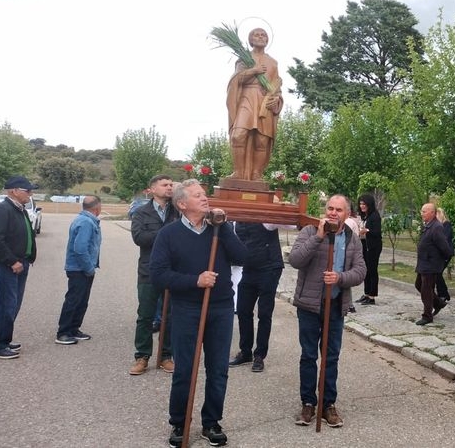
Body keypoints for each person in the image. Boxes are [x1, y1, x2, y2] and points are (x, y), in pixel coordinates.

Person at [149, 179, 247, 448]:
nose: (205, 198)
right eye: (197, 195)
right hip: (187, 308)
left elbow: (242, 257)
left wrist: (223, 227)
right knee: (186, 369)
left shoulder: (219, 230)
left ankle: (211, 422)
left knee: (218, 369)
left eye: (204, 194)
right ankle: (180, 422)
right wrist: (196, 280)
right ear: (182, 204)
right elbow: (158, 275)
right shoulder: (168, 235)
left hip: (221, 307)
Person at [289, 195, 366, 428]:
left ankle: (328, 404)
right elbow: (295, 260)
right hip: (309, 304)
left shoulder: (352, 239)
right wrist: (319, 237)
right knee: (309, 355)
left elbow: (360, 271)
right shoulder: (310, 231)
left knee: (331, 356)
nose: (333, 213)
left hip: (335, 305)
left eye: (339, 210)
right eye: (330, 208)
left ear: (347, 214)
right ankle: (308, 403)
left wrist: (339, 278)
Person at [130, 175, 178, 375]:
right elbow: (139, 238)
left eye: (171, 185)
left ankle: (166, 356)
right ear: (152, 189)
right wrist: (167, 232)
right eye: (164, 185)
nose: (169, 187)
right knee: (145, 316)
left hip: (173, 271)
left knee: (170, 316)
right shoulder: (141, 213)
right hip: (148, 272)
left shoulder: (177, 211)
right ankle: (142, 356)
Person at [226, 27, 284, 181]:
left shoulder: (273, 63)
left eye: (263, 35)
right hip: (246, 98)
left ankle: (256, 173)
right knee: (238, 135)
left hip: (264, 101)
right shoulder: (244, 58)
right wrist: (254, 70)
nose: (260, 37)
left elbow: (276, 86)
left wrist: (276, 99)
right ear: (250, 40)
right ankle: (238, 172)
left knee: (262, 140)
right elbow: (236, 80)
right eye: (256, 35)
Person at [229, 222, 284, 373]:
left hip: (269, 267)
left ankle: (259, 355)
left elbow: (289, 224)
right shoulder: (237, 221)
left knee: (264, 313)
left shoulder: (267, 219)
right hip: (249, 268)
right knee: (243, 310)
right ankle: (245, 352)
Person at [0, 176, 39, 360]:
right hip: (10, 265)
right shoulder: (4, 209)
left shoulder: (18, 209)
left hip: (22, 262)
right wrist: (11, 261)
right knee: (7, 304)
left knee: (14, 303)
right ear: (14, 191)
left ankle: (4, 338)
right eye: (27, 191)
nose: (30, 194)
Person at [55, 195, 102, 345]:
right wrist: (89, 268)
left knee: (82, 300)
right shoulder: (86, 222)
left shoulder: (85, 220)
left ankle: (74, 329)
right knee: (74, 300)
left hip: (82, 268)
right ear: (97, 208)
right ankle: (63, 332)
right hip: (79, 269)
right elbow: (80, 249)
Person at [414, 203, 453, 325]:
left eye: (424, 211)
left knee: (426, 289)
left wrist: (443, 260)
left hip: (431, 264)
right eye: (422, 211)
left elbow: (445, 247)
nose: (422, 213)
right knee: (419, 285)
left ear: (432, 213)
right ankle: (438, 303)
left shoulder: (437, 227)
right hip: (424, 263)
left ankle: (427, 316)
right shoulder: (428, 225)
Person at [355, 194, 382, 306]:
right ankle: (366, 293)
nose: (362, 206)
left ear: (369, 204)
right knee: (365, 270)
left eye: (364, 204)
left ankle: (372, 295)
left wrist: (367, 231)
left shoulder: (375, 216)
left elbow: (377, 232)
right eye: (361, 204)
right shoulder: (365, 216)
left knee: (372, 270)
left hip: (373, 247)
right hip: (365, 245)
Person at [434, 207, 454, 306]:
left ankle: (443, 294)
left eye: (437, 214)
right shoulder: (437, 226)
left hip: (446, 253)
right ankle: (444, 293)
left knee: (437, 273)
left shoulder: (446, 225)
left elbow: (444, 238)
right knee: (437, 273)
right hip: (438, 254)